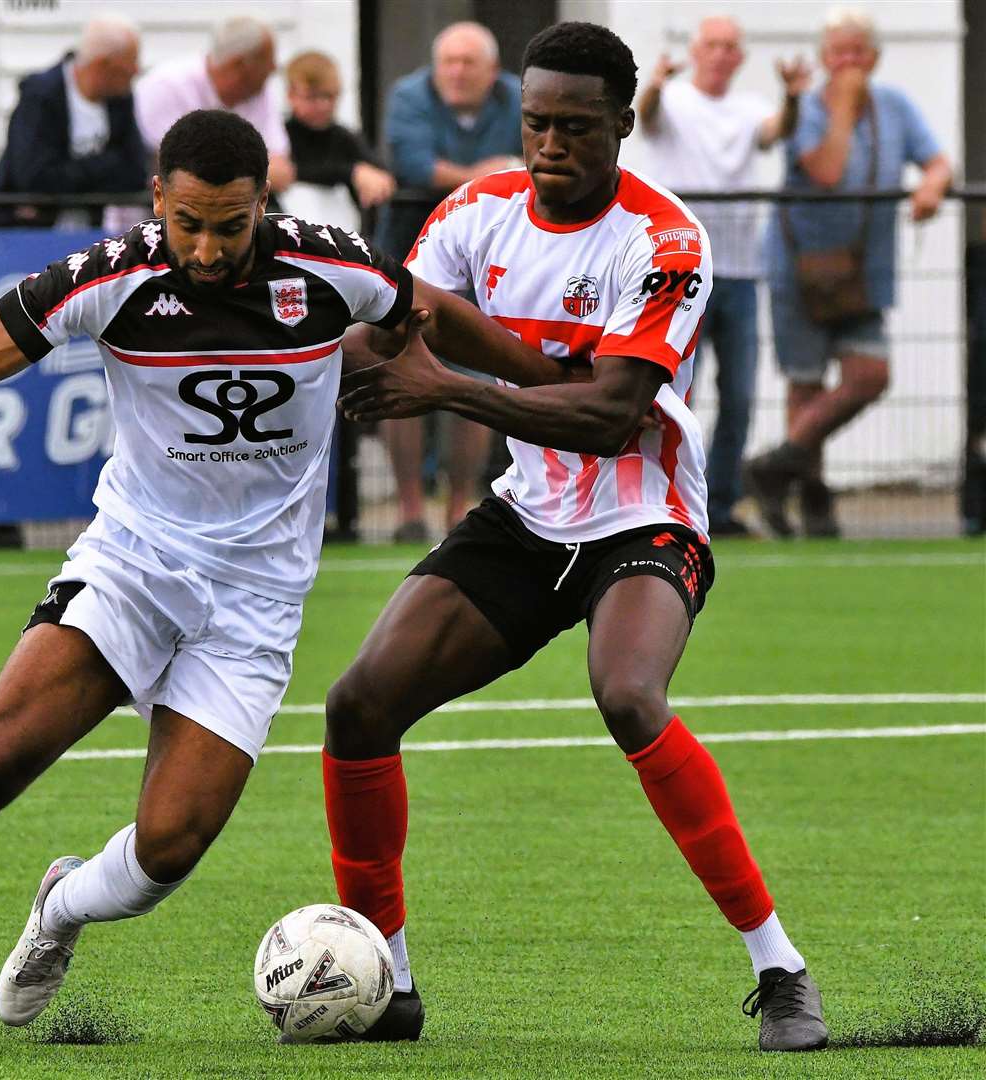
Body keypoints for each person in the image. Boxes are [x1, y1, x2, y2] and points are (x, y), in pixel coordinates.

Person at [0, 109, 588, 1048]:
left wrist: (547, 380)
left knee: (167, 850)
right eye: (189, 223)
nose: (210, 248)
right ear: (158, 200)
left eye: (231, 224)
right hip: (133, 563)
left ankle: (61, 905)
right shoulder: (111, 276)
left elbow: (427, 315)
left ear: (265, 202)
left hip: (255, 604)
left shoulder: (332, 265)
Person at [322, 22, 827, 1052]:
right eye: (534, 124)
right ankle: (385, 983)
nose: (549, 144)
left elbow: (605, 416)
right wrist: (334, 341)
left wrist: (448, 381)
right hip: (527, 514)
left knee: (627, 694)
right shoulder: (475, 211)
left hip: (641, 516)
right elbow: (400, 329)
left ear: (623, 125)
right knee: (358, 705)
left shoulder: (665, 241)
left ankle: (779, 970)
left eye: (575, 127)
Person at [745, 7, 952, 538]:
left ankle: (776, 466)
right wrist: (841, 106)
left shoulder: (897, 106)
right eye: (839, 53)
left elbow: (937, 159)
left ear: (876, 57)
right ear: (822, 59)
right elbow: (829, 171)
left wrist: (931, 184)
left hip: (865, 269)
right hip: (799, 267)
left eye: (858, 53)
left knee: (870, 374)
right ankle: (813, 498)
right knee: (805, 382)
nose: (849, 64)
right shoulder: (808, 110)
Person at [635, 16, 810, 537]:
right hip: (680, 274)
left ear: (739, 57)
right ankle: (664, 498)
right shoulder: (674, 102)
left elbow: (778, 129)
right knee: (672, 393)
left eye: (730, 46)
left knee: (738, 397)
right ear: (697, 50)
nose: (719, 54)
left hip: (737, 272)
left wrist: (794, 97)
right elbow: (648, 117)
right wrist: (657, 84)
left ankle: (723, 504)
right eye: (712, 45)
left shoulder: (750, 109)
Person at [376, 21, 524, 541]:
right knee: (401, 374)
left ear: (492, 69)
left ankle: (460, 506)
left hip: (490, 260)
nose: (458, 73)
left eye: (469, 63)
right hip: (411, 252)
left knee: (476, 378)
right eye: (449, 63)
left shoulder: (518, 95)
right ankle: (410, 510)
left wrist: (468, 173)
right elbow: (414, 165)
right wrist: (496, 172)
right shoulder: (408, 96)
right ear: (435, 67)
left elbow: (535, 164)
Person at [0, 15, 145, 228]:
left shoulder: (120, 99)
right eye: (129, 64)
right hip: (25, 232)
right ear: (102, 65)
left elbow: (134, 172)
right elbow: (35, 178)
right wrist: (106, 163)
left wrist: (68, 173)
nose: (136, 71)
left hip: (88, 233)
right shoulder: (41, 95)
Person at [135, 16, 295, 195]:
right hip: (158, 217)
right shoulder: (165, 87)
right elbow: (178, 168)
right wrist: (253, 169)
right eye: (268, 60)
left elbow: (281, 170)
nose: (274, 68)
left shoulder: (259, 91)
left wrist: (222, 168)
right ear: (239, 65)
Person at [282, 50, 395, 218]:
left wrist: (379, 181)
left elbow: (381, 174)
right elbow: (289, 172)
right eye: (312, 97)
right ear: (291, 95)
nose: (322, 105)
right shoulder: (280, 135)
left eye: (329, 96)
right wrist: (351, 173)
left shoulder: (345, 138)